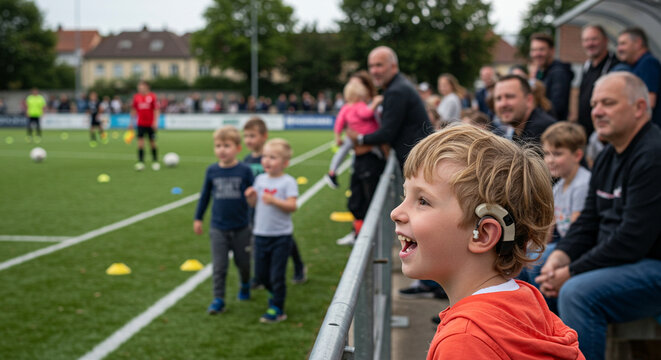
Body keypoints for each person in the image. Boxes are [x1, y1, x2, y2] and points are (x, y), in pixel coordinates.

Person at [391, 124, 584, 359]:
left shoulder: (465, 342)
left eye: (423, 201)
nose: (396, 212)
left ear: (483, 234)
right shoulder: (527, 301)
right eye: (405, 195)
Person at [535, 72, 661, 359]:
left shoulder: (652, 156)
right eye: (594, 105)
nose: (597, 112)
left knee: (576, 292)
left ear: (639, 108)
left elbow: (632, 241)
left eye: (608, 103)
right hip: (620, 259)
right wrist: (561, 255)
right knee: (536, 262)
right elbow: (589, 221)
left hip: (650, 264)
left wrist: (571, 271)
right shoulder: (606, 155)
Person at [519, 122, 591, 306]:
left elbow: (578, 229)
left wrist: (541, 252)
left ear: (577, 155)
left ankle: (550, 311)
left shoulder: (582, 184)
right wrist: (536, 246)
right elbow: (549, 227)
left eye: (557, 154)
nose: (550, 160)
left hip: (576, 247)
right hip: (561, 243)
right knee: (526, 253)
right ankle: (526, 307)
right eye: (547, 154)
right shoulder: (558, 186)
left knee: (539, 260)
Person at [194, 126, 254, 315]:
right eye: (218, 145)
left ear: (238, 148)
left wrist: (253, 198)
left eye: (226, 145)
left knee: (243, 263)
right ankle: (218, 298)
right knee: (219, 266)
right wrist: (198, 218)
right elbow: (205, 196)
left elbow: (253, 197)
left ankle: (245, 284)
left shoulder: (245, 170)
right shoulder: (211, 171)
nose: (221, 149)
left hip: (242, 228)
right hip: (218, 228)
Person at [242, 118, 307, 285]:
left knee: (284, 239)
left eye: (252, 136)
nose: (248, 140)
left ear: (264, 136)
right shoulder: (246, 160)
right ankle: (259, 275)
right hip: (257, 205)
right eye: (246, 136)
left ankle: (298, 266)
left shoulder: (270, 158)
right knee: (256, 237)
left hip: (273, 205)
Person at [347, 46, 432, 169]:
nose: (374, 71)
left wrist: (359, 138)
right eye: (371, 66)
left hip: (417, 161)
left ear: (393, 67)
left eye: (379, 65)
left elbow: (387, 133)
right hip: (417, 157)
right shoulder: (397, 86)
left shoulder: (396, 90)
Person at [245, 138, 299, 323]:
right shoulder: (259, 179)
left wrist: (275, 200)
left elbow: (292, 206)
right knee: (261, 275)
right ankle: (273, 296)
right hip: (260, 235)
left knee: (277, 275)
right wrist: (251, 197)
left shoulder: (288, 182)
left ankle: (277, 308)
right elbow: (254, 204)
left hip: (280, 237)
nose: (266, 161)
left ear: (284, 163)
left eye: (273, 157)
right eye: (265, 156)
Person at [325, 78, 382, 189]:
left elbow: (339, 123)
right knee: (377, 152)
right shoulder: (359, 105)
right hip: (365, 137)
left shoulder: (345, 108)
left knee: (342, 151)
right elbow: (367, 114)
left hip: (352, 137)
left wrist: (337, 137)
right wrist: (375, 103)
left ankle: (332, 172)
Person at [578, 24, 619, 137]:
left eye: (594, 39)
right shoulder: (587, 66)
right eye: (586, 40)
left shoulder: (615, 66)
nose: (590, 43)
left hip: (603, 135)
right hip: (585, 131)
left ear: (606, 41)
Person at [617, 27, 661, 126]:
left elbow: (649, 102)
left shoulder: (648, 63)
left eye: (623, 44)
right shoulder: (635, 65)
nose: (619, 49)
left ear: (638, 43)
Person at [494, 74, 556, 144]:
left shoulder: (541, 132)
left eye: (509, 96)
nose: (503, 104)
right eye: (498, 98)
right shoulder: (520, 130)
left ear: (529, 100)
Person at [529, 33, 574, 121]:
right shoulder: (541, 72)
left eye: (541, 49)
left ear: (552, 51)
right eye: (534, 50)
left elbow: (556, 109)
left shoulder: (559, 73)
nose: (537, 54)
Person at [130, 80, 160, 171]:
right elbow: (134, 110)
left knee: (152, 143)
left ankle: (155, 162)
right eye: (139, 87)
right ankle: (141, 162)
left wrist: (155, 122)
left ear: (147, 87)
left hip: (150, 124)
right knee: (140, 143)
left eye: (142, 87)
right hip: (140, 124)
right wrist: (131, 122)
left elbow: (156, 110)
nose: (140, 89)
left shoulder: (152, 96)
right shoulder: (136, 97)